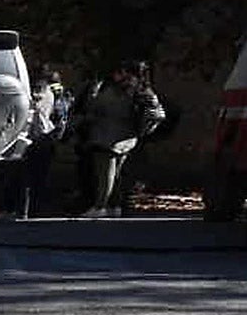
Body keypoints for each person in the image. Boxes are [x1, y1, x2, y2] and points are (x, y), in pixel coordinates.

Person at [74, 61, 166, 217]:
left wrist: (93, 96)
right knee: (116, 174)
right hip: (126, 137)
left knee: (105, 174)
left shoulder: (119, 91)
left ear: (125, 73)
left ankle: (100, 206)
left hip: (108, 136)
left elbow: (98, 108)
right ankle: (114, 205)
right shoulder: (143, 90)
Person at [10, 67, 65, 218]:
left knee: (28, 177)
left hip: (37, 138)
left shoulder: (40, 95)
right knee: (39, 176)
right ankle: (35, 210)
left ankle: (26, 211)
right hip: (48, 137)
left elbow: (35, 109)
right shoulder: (57, 94)